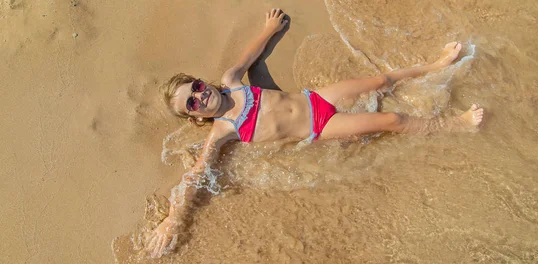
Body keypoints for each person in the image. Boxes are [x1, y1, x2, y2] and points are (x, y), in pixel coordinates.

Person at [146, 8, 484, 258]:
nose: (200, 95)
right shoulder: (222, 131)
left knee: (381, 82)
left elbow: (249, 57)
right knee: (391, 120)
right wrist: (172, 221)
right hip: (319, 127)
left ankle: (436, 65)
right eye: (191, 103)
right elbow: (195, 175)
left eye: (197, 87)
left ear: (203, 82)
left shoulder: (232, 81)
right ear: (194, 118)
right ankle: (455, 125)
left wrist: (269, 30)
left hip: (317, 98)